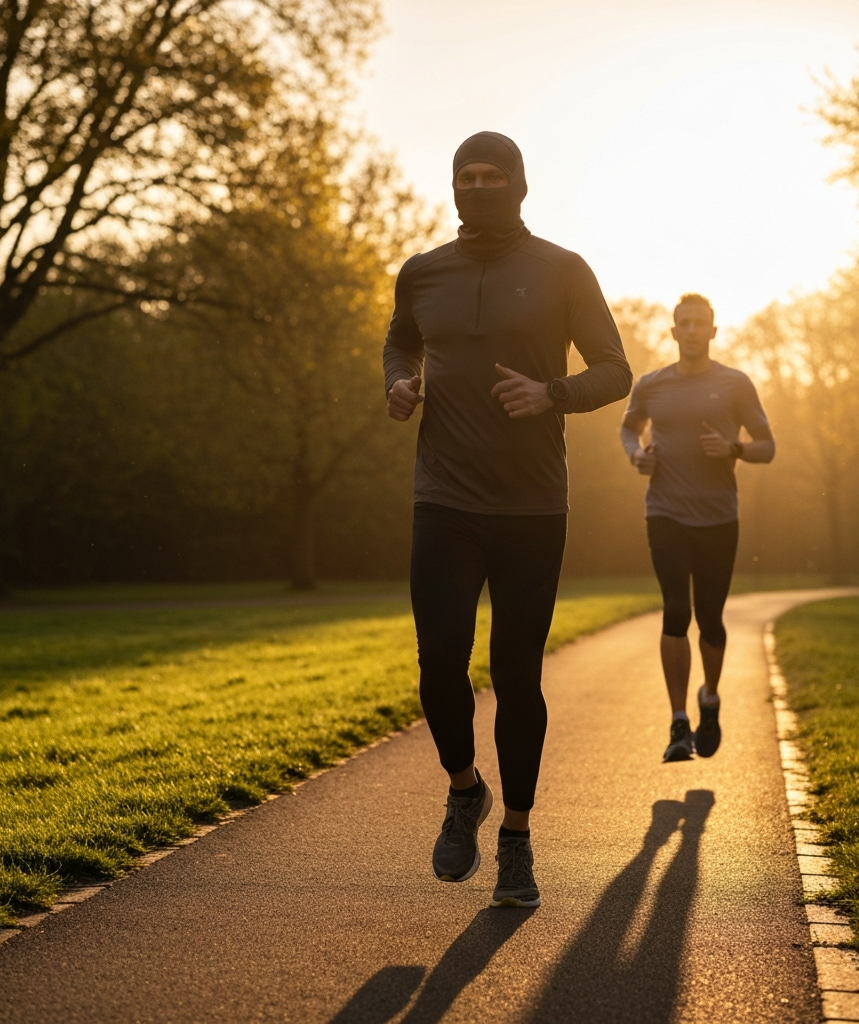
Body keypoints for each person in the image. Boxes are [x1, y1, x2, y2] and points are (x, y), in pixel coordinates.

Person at [383, 132, 631, 908]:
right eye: (467, 175)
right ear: (453, 186)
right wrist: (400, 380)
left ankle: (516, 839)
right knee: (437, 666)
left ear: (520, 185)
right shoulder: (423, 272)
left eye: (494, 176)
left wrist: (550, 394)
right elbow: (400, 341)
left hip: (531, 505)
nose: (479, 186)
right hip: (444, 499)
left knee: (517, 675)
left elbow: (617, 370)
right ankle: (465, 790)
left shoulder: (562, 269)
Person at [620, 294, 775, 763]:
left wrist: (734, 449)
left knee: (710, 617)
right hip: (664, 512)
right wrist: (636, 456)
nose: (690, 330)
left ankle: (709, 697)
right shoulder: (650, 385)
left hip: (718, 518)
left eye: (699, 323)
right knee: (674, 610)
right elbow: (629, 428)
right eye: (682, 323)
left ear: (712, 331)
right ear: (672, 332)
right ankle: (678, 723)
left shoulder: (735, 384)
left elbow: (767, 446)